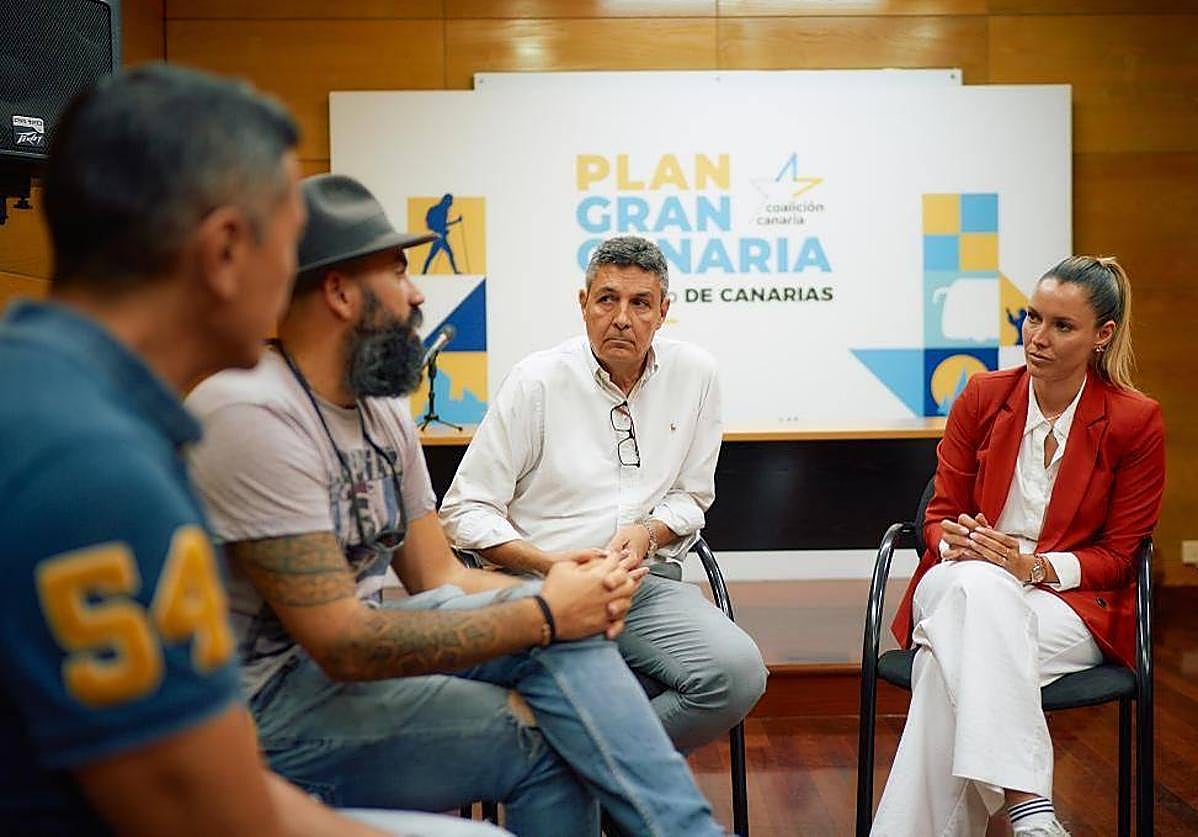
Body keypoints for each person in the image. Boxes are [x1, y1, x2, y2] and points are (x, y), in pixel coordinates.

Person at [0, 66, 497, 836]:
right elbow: (204, 811)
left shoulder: (50, 388)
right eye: (291, 240)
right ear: (228, 248)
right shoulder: (93, 468)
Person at [185, 175, 724, 837]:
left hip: (338, 665)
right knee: (554, 734)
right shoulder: (251, 414)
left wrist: (561, 594)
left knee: (568, 639)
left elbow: (439, 576)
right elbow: (342, 643)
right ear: (340, 290)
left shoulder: (381, 413)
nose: (417, 294)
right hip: (257, 709)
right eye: (399, 274)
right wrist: (543, 609)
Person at [439, 235, 767, 751]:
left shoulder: (696, 375)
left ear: (663, 312)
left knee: (737, 674)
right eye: (607, 299)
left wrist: (647, 533)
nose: (622, 318)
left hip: (642, 584)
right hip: (541, 588)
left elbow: (691, 496)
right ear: (583, 304)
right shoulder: (537, 382)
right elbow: (463, 510)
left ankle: (586, 777)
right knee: (599, 693)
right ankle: (615, 796)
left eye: (640, 304)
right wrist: (550, 565)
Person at [874, 256, 1166, 836]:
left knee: (943, 671)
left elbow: (1119, 556)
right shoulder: (983, 396)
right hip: (959, 577)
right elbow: (936, 518)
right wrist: (950, 535)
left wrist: (1033, 566)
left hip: (1068, 600)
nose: (1038, 336)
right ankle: (1030, 806)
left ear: (1101, 336)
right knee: (979, 588)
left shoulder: (1136, 421)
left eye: (1062, 326)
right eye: (1034, 317)